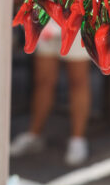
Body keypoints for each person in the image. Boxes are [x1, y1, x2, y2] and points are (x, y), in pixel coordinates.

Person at [9, 19, 92, 166]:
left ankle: (77, 139)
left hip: (79, 15)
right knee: (43, 81)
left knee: (77, 81)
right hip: (48, 14)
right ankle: (34, 134)